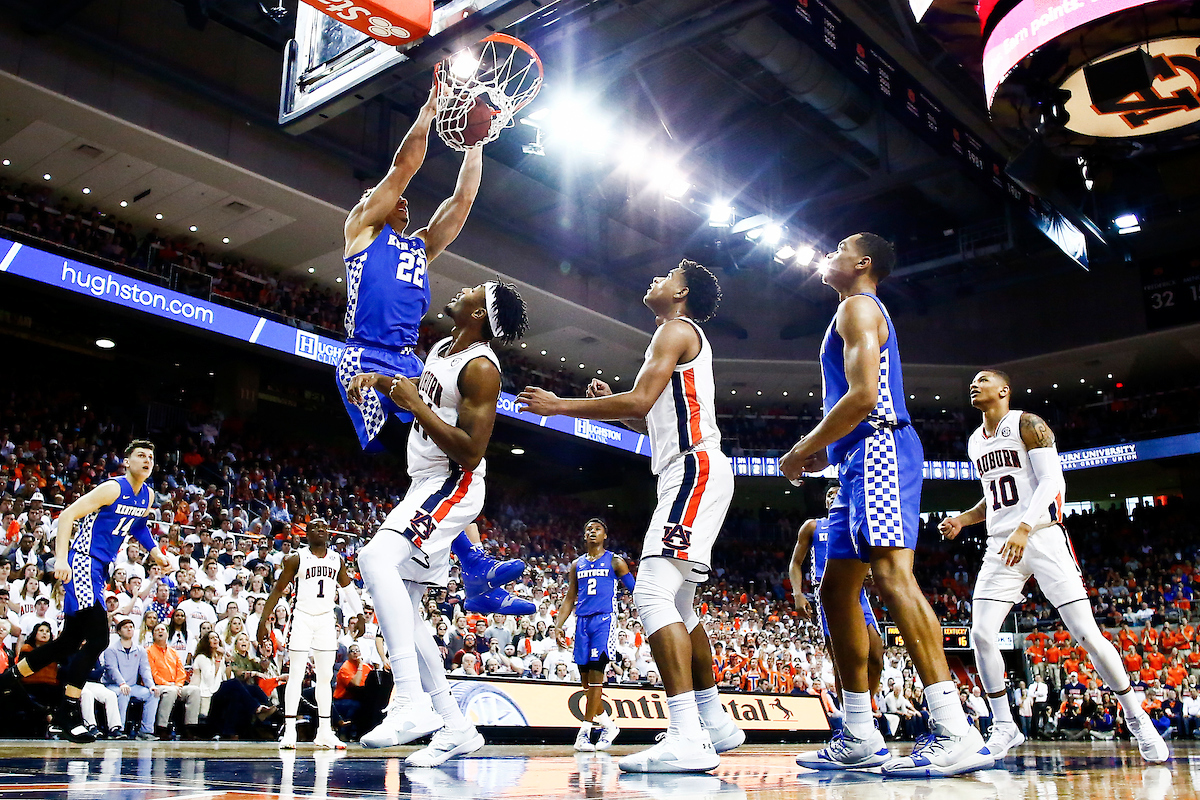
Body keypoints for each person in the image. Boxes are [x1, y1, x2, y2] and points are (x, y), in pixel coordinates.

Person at [519, 260, 743, 773]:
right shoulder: (678, 337)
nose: (653, 280)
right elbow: (648, 416)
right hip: (691, 468)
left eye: (664, 275)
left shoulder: (676, 329)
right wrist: (615, 410)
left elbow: (643, 397)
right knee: (682, 608)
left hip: (694, 469)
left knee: (650, 593)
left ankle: (686, 733)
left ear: (681, 292)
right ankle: (715, 721)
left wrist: (559, 405)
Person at [779, 234, 990, 777]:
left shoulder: (858, 306)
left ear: (863, 263)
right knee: (835, 588)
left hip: (880, 446)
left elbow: (865, 395)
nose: (827, 254)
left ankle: (953, 728)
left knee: (894, 576)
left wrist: (805, 448)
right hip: (858, 458)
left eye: (839, 247)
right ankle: (859, 732)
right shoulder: (852, 311)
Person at [337, 77, 529, 618]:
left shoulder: (419, 249)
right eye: (382, 197)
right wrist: (429, 109)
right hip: (364, 356)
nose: (397, 199)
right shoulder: (362, 231)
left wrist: (475, 145)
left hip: (407, 359)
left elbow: (463, 200)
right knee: (428, 460)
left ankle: (472, 565)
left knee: (447, 463)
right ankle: (466, 561)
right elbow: (403, 167)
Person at [940, 369, 1169, 763]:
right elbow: (994, 499)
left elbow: (1051, 481)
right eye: (972, 382)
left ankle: (1136, 717)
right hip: (1001, 543)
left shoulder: (1027, 423)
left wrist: (1025, 528)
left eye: (982, 380)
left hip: (1042, 534)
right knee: (980, 634)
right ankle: (1004, 726)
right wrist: (963, 518)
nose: (974, 385)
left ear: (1004, 390)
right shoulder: (976, 440)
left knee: (1086, 633)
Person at [347, 280, 529, 766]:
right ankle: (456, 726)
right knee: (405, 603)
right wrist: (378, 383)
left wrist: (416, 406)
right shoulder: (444, 348)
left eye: (475, 291)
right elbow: (416, 394)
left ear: (480, 315)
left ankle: (408, 700)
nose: (464, 288)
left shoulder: (481, 368)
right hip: (425, 482)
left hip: (454, 482)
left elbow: (471, 451)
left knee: (374, 556)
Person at [0, 440, 169, 743]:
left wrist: (155, 553)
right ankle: (67, 710)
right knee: (100, 637)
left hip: (99, 568)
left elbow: (139, 526)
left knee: (67, 643)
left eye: (150, 457)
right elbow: (67, 516)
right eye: (140, 456)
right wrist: (62, 558)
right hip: (82, 560)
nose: (146, 460)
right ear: (127, 462)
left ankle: (8, 679)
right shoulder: (112, 488)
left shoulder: (148, 495)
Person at [258, 518, 363, 750]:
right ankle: (290, 730)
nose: (320, 530)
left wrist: (360, 614)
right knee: (295, 674)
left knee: (325, 677)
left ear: (329, 533)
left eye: (323, 527)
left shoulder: (337, 559)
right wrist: (264, 619)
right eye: (314, 527)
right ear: (306, 534)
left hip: (326, 619)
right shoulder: (296, 558)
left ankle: (325, 731)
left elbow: (348, 589)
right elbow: (277, 590)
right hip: (302, 618)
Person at [789, 481, 885, 699]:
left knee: (876, 656)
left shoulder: (857, 526)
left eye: (837, 494)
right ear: (825, 501)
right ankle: (849, 717)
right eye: (829, 494)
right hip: (827, 593)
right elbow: (795, 563)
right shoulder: (813, 526)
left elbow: (872, 555)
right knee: (842, 663)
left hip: (855, 591)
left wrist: (869, 569)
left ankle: (866, 706)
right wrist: (798, 593)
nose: (832, 497)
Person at [553, 517, 635, 752]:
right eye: (588, 528)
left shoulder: (615, 561)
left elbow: (634, 588)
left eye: (597, 529)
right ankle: (609, 725)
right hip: (582, 622)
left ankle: (585, 731)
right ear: (584, 535)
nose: (592, 531)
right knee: (586, 683)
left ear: (604, 535)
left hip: (604, 620)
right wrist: (559, 625)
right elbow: (570, 597)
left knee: (597, 675)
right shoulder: (577, 564)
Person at [102, 617, 160, 741]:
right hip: (113, 685)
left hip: (133, 685)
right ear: (119, 632)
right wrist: (122, 683)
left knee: (153, 694)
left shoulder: (140, 650)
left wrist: (151, 685)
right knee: (124, 693)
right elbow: (112, 669)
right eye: (125, 627)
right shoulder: (111, 650)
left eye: (131, 627)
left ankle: (146, 730)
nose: (129, 629)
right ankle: (119, 729)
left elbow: (145, 669)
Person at [147, 621, 201, 737]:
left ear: (167, 634)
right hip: (158, 685)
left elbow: (181, 672)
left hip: (176, 686)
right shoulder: (148, 651)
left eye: (163, 630)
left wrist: (178, 686)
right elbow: (153, 673)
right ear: (153, 635)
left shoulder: (173, 652)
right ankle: (161, 727)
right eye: (157, 630)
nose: (160, 632)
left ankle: (190, 728)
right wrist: (170, 685)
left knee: (194, 690)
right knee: (170, 692)